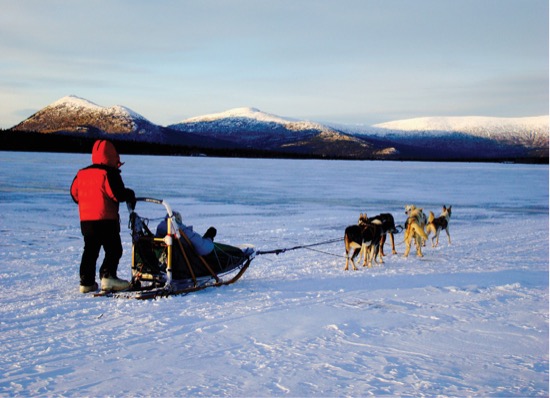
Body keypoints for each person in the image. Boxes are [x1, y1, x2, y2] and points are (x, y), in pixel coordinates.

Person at [70, 139, 136, 293]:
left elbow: (74, 194)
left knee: (90, 250)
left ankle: (86, 282)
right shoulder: (109, 173)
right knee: (114, 249)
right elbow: (116, 195)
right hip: (106, 219)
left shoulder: (81, 173)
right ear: (112, 155)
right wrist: (129, 194)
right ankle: (108, 277)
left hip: (86, 221)